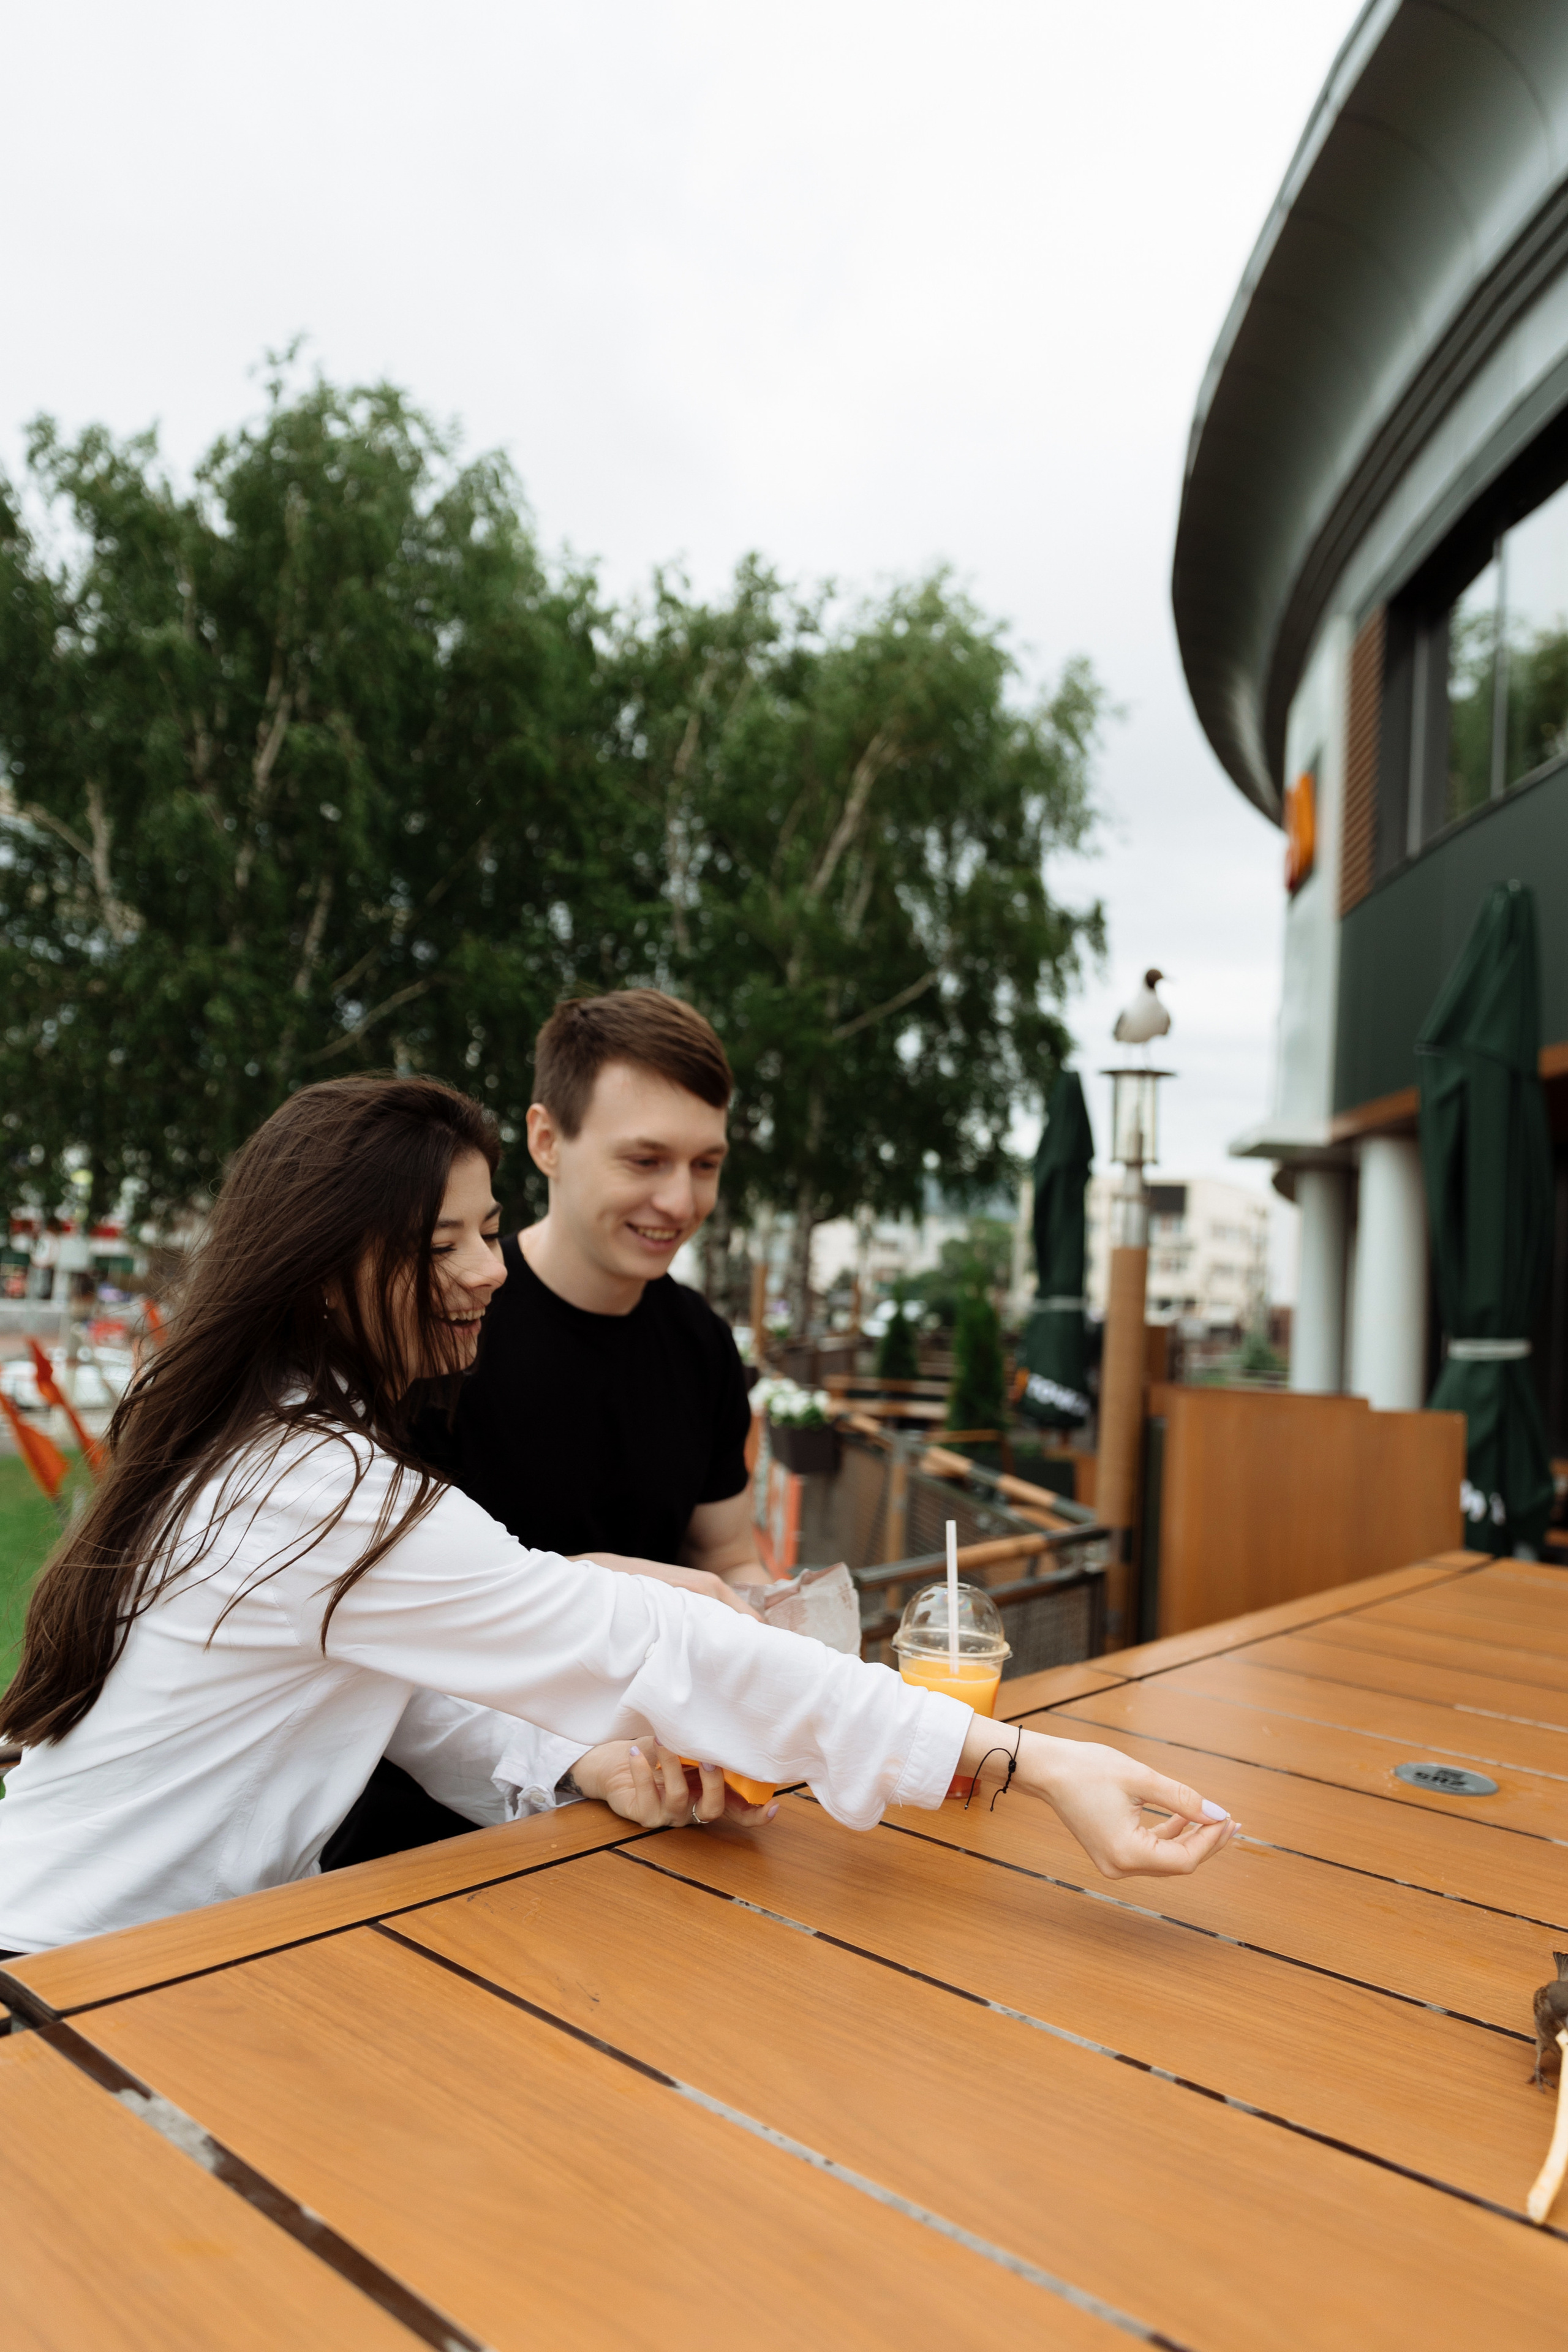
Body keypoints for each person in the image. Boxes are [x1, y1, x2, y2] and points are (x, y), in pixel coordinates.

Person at [0, 1076, 1235, 1959]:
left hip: (132, 1961)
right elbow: (654, 1643)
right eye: (443, 1245)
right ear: (328, 1279)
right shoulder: (322, 1487)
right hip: (75, 1984)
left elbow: (401, 1690)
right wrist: (1030, 1761)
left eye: (485, 1231)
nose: (488, 1270)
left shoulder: (273, 1442)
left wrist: (569, 1765)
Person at [330, 990, 765, 1864]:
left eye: (706, 1164)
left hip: (651, 1819)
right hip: (421, 1842)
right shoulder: (436, 1332)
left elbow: (730, 1558)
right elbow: (399, 1616)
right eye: (644, 1160)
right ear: (545, 1141)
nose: (679, 1200)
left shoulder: (702, 1344)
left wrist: (785, 1638)